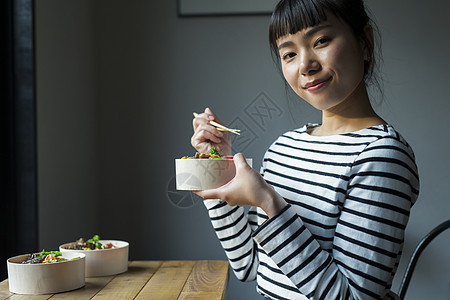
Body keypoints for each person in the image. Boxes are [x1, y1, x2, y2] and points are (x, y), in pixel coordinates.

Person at [190, 0, 419, 299]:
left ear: (365, 42)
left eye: (321, 40)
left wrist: (269, 202)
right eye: (289, 53)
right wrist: (218, 169)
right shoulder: (283, 148)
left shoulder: (383, 156)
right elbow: (248, 266)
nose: (305, 65)